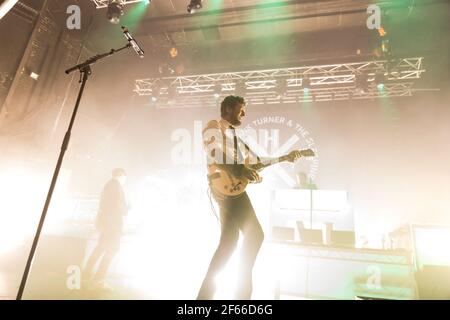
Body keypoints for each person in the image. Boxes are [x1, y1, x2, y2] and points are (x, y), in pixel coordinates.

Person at [197, 95, 266, 300]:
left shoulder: (234, 136)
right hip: (227, 192)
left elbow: (249, 163)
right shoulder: (213, 125)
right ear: (227, 109)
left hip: (230, 191)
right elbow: (214, 155)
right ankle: (241, 297)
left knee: (229, 242)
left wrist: (252, 173)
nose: (244, 114)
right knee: (255, 236)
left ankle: (203, 299)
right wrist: (241, 171)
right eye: (240, 109)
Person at [83, 168, 128, 290]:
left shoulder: (109, 185)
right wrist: (127, 208)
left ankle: (87, 273)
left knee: (101, 247)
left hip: (107, 223)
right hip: (113, 224)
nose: (125, 181)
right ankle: (99, 278)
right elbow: (118, 206)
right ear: (122, 176)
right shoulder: (116, 186)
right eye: (125, 178)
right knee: (112, 249)